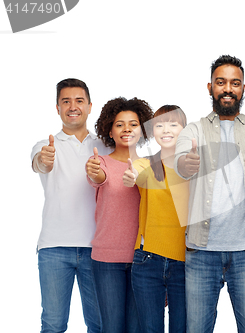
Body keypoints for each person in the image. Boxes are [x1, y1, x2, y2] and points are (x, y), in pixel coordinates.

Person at [174, 55, 245, 333]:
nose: (228, 88)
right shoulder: (193, 130)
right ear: (210, 87)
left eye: (235, 83)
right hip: (201, 252)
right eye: (221, 82)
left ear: (243, 88)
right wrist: (186, 163)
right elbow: (181, 159)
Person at [31, 78, 109, 333]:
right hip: (54, 248)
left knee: (100, 324)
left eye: (79, 101)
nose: (72, 106)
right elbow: (41, 164)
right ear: (57, 108)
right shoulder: (45, 146)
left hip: (97, 250)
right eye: (66, 101)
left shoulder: (106, 147)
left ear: (89, 106)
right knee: (53, 324)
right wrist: (45, 159)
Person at [85, 97, 153, 333]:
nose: (127, 129)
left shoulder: (152, 166)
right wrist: (95, 173)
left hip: (143, 261)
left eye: (133, 124)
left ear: (142, 129)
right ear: (110, 131)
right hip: (106, 260)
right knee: (112, 328)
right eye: (119, 124)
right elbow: (98, 177)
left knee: (137, 329)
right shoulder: (99, 163)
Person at [123, 105, 189, 333]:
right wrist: (131, 176)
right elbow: (137, 175)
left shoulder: (193, 168)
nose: (166, 129)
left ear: (184, 130)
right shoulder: (146, 164)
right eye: (159, 125)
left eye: (173, 124)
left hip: (186, 262)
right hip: (148, 261)